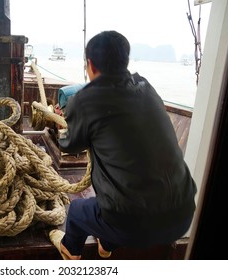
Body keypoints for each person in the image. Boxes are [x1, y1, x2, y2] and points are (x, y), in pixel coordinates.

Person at [49, 30, 197, 260]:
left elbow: (69, 144)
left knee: (77, 212)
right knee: (120, 200)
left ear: (90, 65)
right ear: (125, 60)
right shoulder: (145, 87)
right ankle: (106, 245)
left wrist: (64, 126)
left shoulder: (85, 100)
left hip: (132, 223)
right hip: (183, 215)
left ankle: (70, 250)